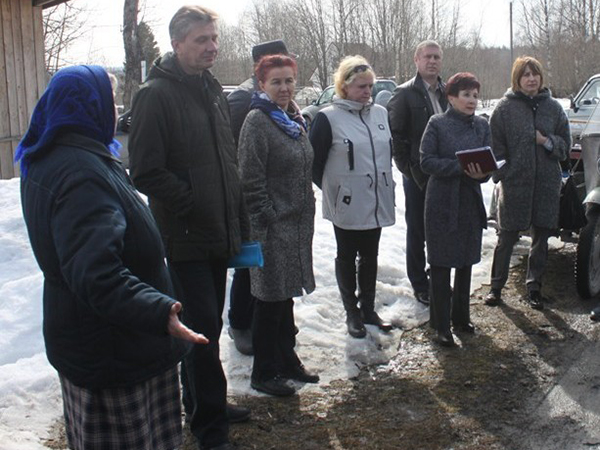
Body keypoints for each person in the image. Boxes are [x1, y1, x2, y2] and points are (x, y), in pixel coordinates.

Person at [16, 65, 208, 450]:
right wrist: (159, 312)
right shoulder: (81, 174)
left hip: (89, 338)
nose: (116, 108)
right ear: (91, 105)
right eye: (111, 98)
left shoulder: (53, 154)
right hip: (116, 349)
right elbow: (97, 273)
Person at [128, 6, 249, 450]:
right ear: (177, 44)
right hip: (185, 237)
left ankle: (206, 402)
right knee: (200, 332)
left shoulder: (212, 89)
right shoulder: (154, 95)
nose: (211, 47)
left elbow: (225, 161)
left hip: (217, 231)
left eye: (213, 38)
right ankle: (209, 428)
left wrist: (233, 214)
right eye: (201, 40)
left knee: (207, 326)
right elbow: (143, 171)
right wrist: (193, 202)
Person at [238, 54, 318, 396]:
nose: (284, 88)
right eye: (276, 82)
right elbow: (249, 179)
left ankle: (288, 359)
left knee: (286, 297)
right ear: (262, 85)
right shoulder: (257, 121)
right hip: (271, 227)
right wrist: (268, 216)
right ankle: (264, 371)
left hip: (298, 225)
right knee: (269, 300)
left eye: (288, 81)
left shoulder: (293, 118)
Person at [310, 55, 395, 339]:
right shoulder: (327, 118)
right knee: (347, 256)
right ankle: (352, 312)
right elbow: (314, 164)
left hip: (376, 198)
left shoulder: (380, 114)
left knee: (370, 256)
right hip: (346, 202)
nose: (367, 92)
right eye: (361, 86)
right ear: (344, 87)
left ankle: (368, 308)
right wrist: (338, 190)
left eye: (370, 86)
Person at [484, 56, 570, 311]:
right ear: (517, 79)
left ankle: (534, 288)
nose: (531, 79)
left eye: (535, 74)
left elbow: (564, 147)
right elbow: (494, 146)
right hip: (515, 185)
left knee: (541, 238)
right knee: (507, 237)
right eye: (526, 75)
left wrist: (546, 142)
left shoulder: (553, 108)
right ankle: (496, 287)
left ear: (541, 78)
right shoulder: (504, 108)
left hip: (545, 184)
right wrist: (504, 174)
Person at [227, 39, 291, 356]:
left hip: (279, 198)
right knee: (249, 264)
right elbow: (241, 153)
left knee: (272, 265)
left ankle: (273, 322)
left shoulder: (278, 98)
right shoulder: (244, 100)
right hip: (252, 197)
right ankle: (240, 322)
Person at [420, 72, 491, 347]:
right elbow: (426, 161)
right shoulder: (436, 123)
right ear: (451, 97)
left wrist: (481, 174)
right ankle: (440, 326)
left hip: (470, 201)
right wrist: (460, 168)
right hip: (441, 202)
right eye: (466, 95)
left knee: (465, 261)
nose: (472, 100)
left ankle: (461, 317)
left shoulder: (482, 126)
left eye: (475, 95)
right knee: (440, 263)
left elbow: (488, 162)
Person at [387, 40, 448, 307]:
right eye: (427, 57)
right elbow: (396, 140)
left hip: (444, 173)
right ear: (416, 59)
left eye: (436, 57)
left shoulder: (448, 92)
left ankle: (437, 278)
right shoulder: (404, 94)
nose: (432, 61)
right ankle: (419, 283)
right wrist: (411, 173)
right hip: (418, 176)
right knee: (418, 231)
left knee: (440, 229)